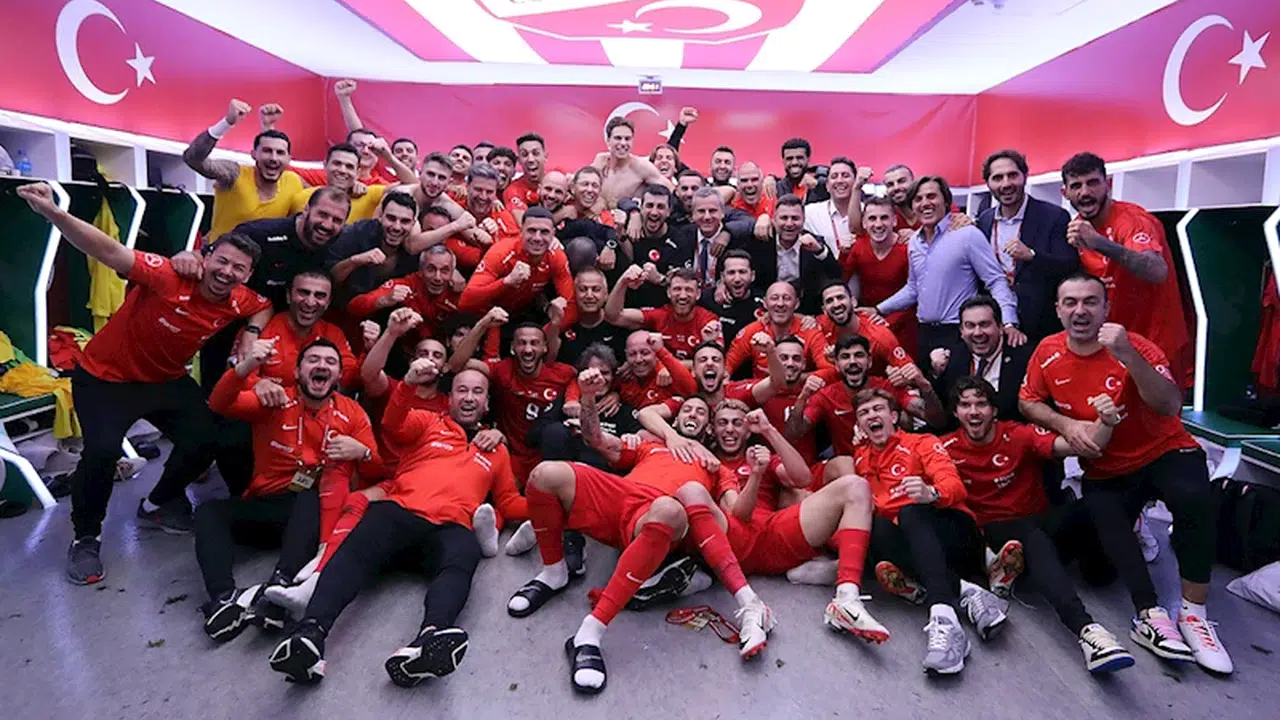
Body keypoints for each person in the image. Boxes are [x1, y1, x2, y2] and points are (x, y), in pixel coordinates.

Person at [17, 182, 274, 584]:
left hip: (166, 380)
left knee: (208, 439)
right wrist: (54, 213)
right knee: (102, 452)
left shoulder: (241, 300)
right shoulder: (168, 275)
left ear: (247, 275)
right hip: (105, 378)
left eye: (238, 268)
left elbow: (264, 305)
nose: (227, 272)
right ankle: (86, 538)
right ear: (206, 256)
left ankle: (157, 504)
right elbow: (108, 250)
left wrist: (251, 333)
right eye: (221, 261)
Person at [508, 372, 775, 695]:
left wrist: (755, 476)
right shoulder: (651, 444)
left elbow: (735, 513)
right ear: (676, 419)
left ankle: (589, 634)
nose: (692, 414)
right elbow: (595, 439)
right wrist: (588, 398)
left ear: (708, 427)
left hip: (656, 519)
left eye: (700, 412)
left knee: (669, 509)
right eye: (687, 410)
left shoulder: (716, 466)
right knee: (545, 474)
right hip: (620, 496)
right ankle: (554, 572)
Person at [1019, 273, 1233, 674]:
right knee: (1100, 564)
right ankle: (1149, 608)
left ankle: (1190, 614)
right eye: (1070, 302)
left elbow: (1169, 404)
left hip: (1163, 449)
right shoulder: (1047, 351)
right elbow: (1028, 401)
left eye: (1090, 302)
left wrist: (1129, 356)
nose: (1080, 311)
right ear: (1058, 310)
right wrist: (1067, 425)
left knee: (1192, 496)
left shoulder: (1136, 346)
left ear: (1106, 307)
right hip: (1107, 465)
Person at [269, 365, 526, 687]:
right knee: (360, 541)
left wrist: (553, 504)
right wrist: (408, 383)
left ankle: (428, 640)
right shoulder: (430, 422)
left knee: (464, 553)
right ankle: (310, 634)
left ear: (487, 403)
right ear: (449, 398)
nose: (469, 397)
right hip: (402, 511)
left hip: (449, 528)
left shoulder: (498, 451)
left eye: (478, 392)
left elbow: (509, 502)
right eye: (462, 390)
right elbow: (393, 423)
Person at [941, 376, 1135, 674]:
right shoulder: (945, 447)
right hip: (995, 532)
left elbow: (1085, 445)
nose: (974, 411)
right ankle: (1087, 630)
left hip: (1041, 525)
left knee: (1097, 502)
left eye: (981, 404)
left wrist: (1107, 422)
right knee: (1030, 537)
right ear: (956, 413)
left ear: (994, 410)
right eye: (965, 405)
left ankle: (1120, 587)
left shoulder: (1018, 434)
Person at [200, 337, 379, 641]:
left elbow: (376, 470)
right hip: (268, 506)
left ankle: (279, 586)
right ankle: (223, 598)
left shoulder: (352, 412)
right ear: (296, 372)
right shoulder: (275, 399)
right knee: (208, 512)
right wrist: (246, 367)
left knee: (308, 496)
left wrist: (361, 452)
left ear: (338, 376)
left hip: (314, 516)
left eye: (330, 362)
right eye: (313, 360)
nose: (322, 365)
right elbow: (219, 403)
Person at [665, 404, 889, 641]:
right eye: (723, 423)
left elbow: (803, 478)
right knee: (691, 494)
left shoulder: (763, 456)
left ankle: (846, 599)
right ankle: (753, 596)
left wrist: (769, 430)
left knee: (855, 486)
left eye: (737, 423)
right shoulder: (706, 460)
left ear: (747, 431)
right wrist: (756, 475)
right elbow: (738, 514)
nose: (730, 429)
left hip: (772, 533)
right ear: (712, 429)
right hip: (730, 541)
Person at [850, 388, 1006, 675]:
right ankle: (968, 591)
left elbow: (954, 486)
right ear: (859, 425)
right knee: (874, 528)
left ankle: (944, 617)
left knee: (910, 511)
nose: (872, 416)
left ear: (894, 416)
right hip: (917, 550)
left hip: (956, 536)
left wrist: (930, 493)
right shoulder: (860, 458)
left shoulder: (921, 442)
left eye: (878, 409)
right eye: (864, 413)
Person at [1060, 152, 1190, 385]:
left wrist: (1100, 243)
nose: (1085, 192)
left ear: (1108, 184)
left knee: (1160, 408)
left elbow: (1157, 270)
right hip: (1112, 342)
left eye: (1093, 183)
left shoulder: (1132, 220)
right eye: (1076, 186)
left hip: (1155, 342)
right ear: (1065, 193)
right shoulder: (1077, 228)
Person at [875, 176, 1024, 364]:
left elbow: (995, 280)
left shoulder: (967, 235)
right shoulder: (914, 242)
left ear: (946, 201)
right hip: (924, 333)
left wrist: (1009, 322)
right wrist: (878, 309)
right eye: (918, 199)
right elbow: (914, 288)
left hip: (958, 333)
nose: (925, 203)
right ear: (912, 206)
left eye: (931, 196)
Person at [974, 149, 1078, 344]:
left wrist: (1032, 255)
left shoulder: (1054, 216)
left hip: (1041, 326)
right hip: (998, 326)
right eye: (997, 178)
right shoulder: (985, 220)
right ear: (988, 183)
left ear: (1025, 176)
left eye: (1012, 175)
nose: (1006, 184)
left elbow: (1070, 267)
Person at [785, 334, 944, 457]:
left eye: (858, 355)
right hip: (849, 468)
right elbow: (793, 434)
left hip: (892, 460)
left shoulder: (888, 387)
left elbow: (936, 421)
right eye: (845, 357)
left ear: (869, 361)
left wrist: (924, 385)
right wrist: (803, 397)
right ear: (837, 365)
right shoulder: (825, 395)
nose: (852, 362)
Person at [183, 99, 303, 241]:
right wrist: (227, 123)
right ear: (253, 154)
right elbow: (193, 159)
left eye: (280, 153)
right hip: (221, 253)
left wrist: (268, 127)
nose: (274, 158)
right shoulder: (235, 175)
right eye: (267, 151)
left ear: (289, 159)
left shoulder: (293, 181)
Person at [929, 296, 1034, 426]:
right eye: (970, 326)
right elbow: (943, 412)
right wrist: (936, 373)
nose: (977, 333)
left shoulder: (1025, 358)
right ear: (961, 331)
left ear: (1000, 327)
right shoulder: (951, 358)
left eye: (984, 324)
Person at [458, 207, 575, 318]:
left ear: (553, 234)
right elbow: (465, 302)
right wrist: (506, 282)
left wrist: (552, 327)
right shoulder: (501, 252)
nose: (537, 238)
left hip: (524, 313)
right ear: (521, 231)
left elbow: (570, 303)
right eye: (531, 231)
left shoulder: (556, 255)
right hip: (488, 314)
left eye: (544, 232)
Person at [251, 272, 359, 390]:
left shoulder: (333, 333)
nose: (310, 302)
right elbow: (239, 377)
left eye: (320, 296)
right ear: (288, 296)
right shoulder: (261, 328)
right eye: (303, 293)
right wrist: (257, 384)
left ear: (328, 302)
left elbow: (351, 379)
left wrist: (369, 352)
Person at [842, 196, 916, 358]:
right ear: (864, 223)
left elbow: (915, 293)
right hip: (869, 324)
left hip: (904, 326)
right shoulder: (859, 246)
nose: (878, 224)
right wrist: (843, 252)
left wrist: (887, 320)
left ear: (894, 221)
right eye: (872, 218)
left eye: (884, 218)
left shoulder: (908, 249)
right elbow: (841, 280)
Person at [347, 245, 463, 342]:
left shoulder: (458, 292)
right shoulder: (405, 285)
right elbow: (354, 306)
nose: (437, 277)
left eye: (444, 271)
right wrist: (384, 300)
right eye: (431, 269)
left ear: (452, 272)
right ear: (420, 270)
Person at [606, 266, 722, 362]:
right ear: (668, 292)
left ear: (698, 294)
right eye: (677, 289)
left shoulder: (708, 320)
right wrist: (623, 282)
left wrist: (666, 366)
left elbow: (717, 362)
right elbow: (614, 317)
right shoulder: (660, 315)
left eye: (689, 290)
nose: (682, 296)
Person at [753, 195, 841, 314]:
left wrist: (819, 251)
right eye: (784, 218)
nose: (789, 223)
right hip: (766, 309)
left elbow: (835, 274)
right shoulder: (762, 241)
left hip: (806, 311)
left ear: (804, 220)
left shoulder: (814, 243)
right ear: (774, 219)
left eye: (795, 218)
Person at [726, 282, 832, 379]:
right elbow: (726, 367)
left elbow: (830, 370)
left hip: (800, 391)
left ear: (796, 304)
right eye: (774, 298)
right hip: (760, 392)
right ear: (765, 303)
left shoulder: (809, 330)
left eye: (787, 298)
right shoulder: (752, 331)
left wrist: (795, 379)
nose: (780, 304)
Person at [325, 192, 423, 296]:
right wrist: (355, 261)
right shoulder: (355, 233)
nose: (396, 227)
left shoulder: (415, 250)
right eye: (391, 218)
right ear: (380, 217)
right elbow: (328, 280)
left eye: (405, 221)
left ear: (413, 224)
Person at [287, 142, 402, 222]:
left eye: (349, 166)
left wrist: (390, 158)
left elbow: (411, 185)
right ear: (325, 165)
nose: (342, 170)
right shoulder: (302, 198)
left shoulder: (370, 195)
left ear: (357, 172)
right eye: (337, 163)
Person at [816, 281, 912, 377]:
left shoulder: (879, 335)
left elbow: (909, 371)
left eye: (840, 297)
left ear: (853, 302)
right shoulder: (820, 324)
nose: (836, 304)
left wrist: (898, 376)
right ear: (824, 310)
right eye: (829, 301)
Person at [446, 163, 521, 271]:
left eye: (489, 192)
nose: (483, 197)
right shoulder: (451, 208)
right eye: (478, 190)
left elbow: (515, 255)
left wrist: (494, 238)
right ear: (467, 187)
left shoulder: (501, 214)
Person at [546, 267, 628, 363]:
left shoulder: (618, 322)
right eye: (583, 289)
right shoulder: (564, 324)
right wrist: (555, 323)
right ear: (574, 294)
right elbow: (548, 360)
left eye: (596, 289)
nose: (589, 295)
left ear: (606, 295)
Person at [593, 117, 673, 208]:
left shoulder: (642, 167)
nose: (623, 143)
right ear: (608, 140)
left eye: (627, 139)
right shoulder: (599, 163)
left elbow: (673, 191)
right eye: (618, 138)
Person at [805, 157, 867, 254]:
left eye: (845, 176)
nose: (840, 180)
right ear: (827, 186)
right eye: (834, 176)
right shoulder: (810, 213)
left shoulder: (868, 212)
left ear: (856, 182)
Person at [700, 249, 762, 346]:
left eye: (742, 272)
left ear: (752, 275)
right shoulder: (706, 299)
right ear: (722, 276)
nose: (737, 279)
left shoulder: (763, 304)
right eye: (731, 272)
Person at [775, 137, 829, 204]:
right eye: (789, 158)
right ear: (783, 161)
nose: (794, 162)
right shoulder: (778, 186)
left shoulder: (825, 178)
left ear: (808, 159)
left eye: (799, 158)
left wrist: (818, 186)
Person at [506, 133, 548, 218]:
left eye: (535, 153)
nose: (530, 159)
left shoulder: (559, 183)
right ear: (519, 160)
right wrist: (563, 213)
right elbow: (525, 223)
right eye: (524, 154)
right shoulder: (512, 191)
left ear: (545, 157)